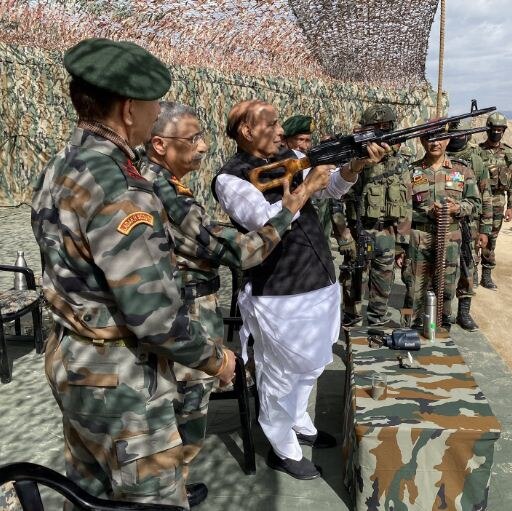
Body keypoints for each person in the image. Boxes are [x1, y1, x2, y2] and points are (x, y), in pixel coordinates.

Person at [31, 39, 232, 510]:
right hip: (122, 381)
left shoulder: (59, 167)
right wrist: (216, 359)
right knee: (151, 501)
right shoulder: (123, 190)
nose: (156, 111)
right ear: (128, 109)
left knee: (88, 492)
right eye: (154, 103)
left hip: (72, 362)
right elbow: (155, 319)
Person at [140, 102, 311, 498]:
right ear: (161, 145)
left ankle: (173, 486)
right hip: (185, 318)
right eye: (193, 138)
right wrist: (287, 211)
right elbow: (241, 252)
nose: (203, 147)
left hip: (176, 315)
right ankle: (170, 492)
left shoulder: (155, 180)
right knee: (186, 411)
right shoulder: (165, 190)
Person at [212, 99, 387, 479]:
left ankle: (300, 423)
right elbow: (263, 223)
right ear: (246, 131)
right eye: (272, 124)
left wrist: (355, 165)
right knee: (279, 373)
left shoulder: (290, 156)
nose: (280, 131)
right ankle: (281, 446)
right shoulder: (230, 178)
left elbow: (333, 189)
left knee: (312, 364)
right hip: (279, 291)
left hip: (318, 280)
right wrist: (307, 185)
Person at [332, 105, 412, 327]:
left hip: (386, 233)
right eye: (374, 128)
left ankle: (376, 324)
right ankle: (351, 324)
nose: (380, 132)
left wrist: (402, 244)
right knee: (353, 284)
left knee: (383, 284)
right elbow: (336, 201)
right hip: (358, 232)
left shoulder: (401, 161)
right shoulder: (352, 158)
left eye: (385, 128)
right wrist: (344, 237)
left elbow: (406, 205)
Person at [406, 127, 481, 329]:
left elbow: (475, 203)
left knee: (446, 288)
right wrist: (426, 213)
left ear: (447, 140)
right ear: (421, 141)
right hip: (419, 238)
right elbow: (402, 210)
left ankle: (443, 328)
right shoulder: (411, 171)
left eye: (440, 138)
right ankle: (409, 328)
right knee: (413, 289)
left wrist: (457, 208)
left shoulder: (462, 171)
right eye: (429, 138)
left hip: (450, 239)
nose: (435, 143)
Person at [446, 120, 493, 331]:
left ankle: (463, 312)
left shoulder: (476, 161)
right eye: (454, 134)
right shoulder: (439, 153)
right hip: (442, 224)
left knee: (467, 267)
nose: (457, 137)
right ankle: (441, 310)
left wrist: (485, 230)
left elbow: (485, 196)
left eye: (461, 134)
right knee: (441, 267)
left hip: (469, 224)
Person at [477, 112, 512, 290]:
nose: (496, 132)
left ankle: (486, 275)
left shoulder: (509, 153)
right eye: (493, 129)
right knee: (472, 238)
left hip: (497, 203)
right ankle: (470, 275)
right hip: (478, 202)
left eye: (500, 129)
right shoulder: (477, 151)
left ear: (503, 131)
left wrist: (510, 207)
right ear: (488, 129)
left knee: (491, 240)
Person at [281, 114, 333, 245]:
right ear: (285, 141)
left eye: (308, 140)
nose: (305, 146)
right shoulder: (280, 164)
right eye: (300, 140)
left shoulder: (309, 161)